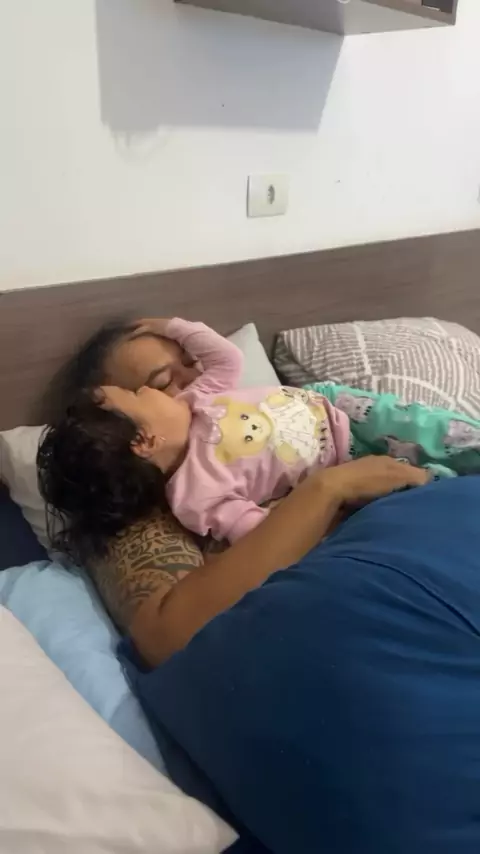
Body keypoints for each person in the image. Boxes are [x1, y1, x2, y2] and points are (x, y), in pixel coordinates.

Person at [37, 316, 429, 665]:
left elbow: (226, 359)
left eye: (190, 362)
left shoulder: (202, 403)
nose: (194, 379)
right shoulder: (192, 495)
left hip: (337, 415)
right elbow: (258, 532)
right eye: (159, 384)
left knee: (428, 433)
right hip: (353, 477)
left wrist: (174, 326)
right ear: (140, 439)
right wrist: (323, 497)